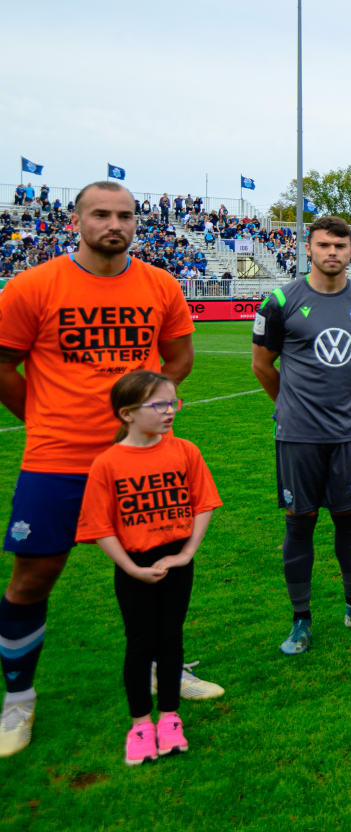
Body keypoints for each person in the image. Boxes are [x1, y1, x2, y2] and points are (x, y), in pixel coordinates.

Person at [0, 181, 213, 759]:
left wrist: (143, 418)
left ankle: (160, 670)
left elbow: (179, 358)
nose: (114, 224)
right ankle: (18, 698)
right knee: (33, 578)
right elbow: (3, 363)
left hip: (140, 460)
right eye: (100, 214)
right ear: (75, 222)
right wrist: (40, 418)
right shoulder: (33, 285)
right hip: (58, 459)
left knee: (157, 569)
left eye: (125, 215)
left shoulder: (159, 284)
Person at [251, 215, 351, 655]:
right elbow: (261, 365)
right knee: (300, 523)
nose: (332, 252)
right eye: (324, 245)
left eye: (340, 246)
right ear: (308, 248)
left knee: (350, 519)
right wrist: (289, 406)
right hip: (299, 437)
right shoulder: (280, 301)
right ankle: (301, 619)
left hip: (348, 434)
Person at [75, 370, 222, 765]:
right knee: (140, 643)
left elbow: (204, 503)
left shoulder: (185, 451)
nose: (170, 411)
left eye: (173, 402)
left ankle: (170, 718)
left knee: (171, 638)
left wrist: (186, 553)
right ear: (127, 414)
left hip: (176, 561)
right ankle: (140, 724)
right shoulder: (108, 463)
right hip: (134, 566)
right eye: (159, 405)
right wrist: (130, 568)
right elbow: (99, 527)